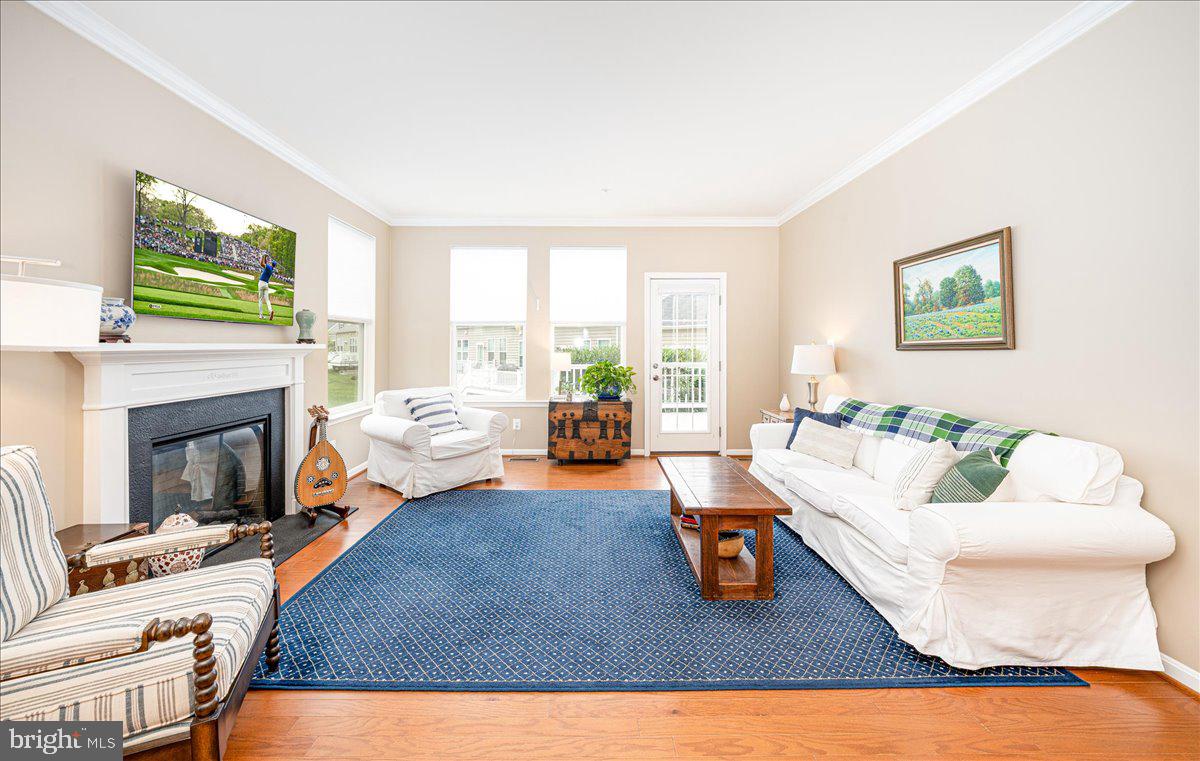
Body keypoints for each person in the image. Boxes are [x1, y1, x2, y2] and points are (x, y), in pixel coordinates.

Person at [257, 253, 277, 321]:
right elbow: (264, 263)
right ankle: (270, 311)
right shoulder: (271, 269)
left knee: (260, 300)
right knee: (267, 300)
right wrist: (265, 256)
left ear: (271, 264)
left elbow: (261, 264)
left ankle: (261, 315)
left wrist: (263, 256)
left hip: (261, 283)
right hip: (266, 285)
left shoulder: (268, 267)